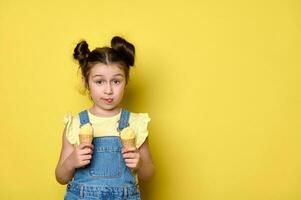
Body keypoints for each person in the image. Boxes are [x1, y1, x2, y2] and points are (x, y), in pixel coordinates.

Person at [55, 36, 155, 200]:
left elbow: (149, 174)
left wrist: (140, 165)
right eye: (99, 81)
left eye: (116, 81)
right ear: (86, 82)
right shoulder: (76, 124)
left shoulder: (136, 123)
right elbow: (60, 177)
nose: (108, 90)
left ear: (126, 82)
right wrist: (71, 162)